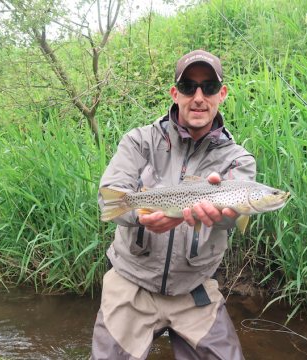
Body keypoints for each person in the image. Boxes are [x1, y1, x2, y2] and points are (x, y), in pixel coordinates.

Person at [91, 50, 256, 360]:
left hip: (194, 287)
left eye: (208, 87)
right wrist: (141, 218)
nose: (198, 97)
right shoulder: (138, 141)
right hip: (131, 281)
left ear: (221, 94)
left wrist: (224, 215)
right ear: (174, 93)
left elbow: (231, 217)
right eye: (188, 87)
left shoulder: (238, 160)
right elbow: (107, 198)